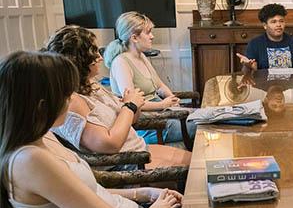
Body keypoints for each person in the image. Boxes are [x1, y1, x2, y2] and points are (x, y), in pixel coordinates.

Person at [0, 51, 182, 208]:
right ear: (42, 106)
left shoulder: (43, 137)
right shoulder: (30, 160)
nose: (72, 99)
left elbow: (92, 193)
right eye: (67, 94)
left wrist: (146, 194)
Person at [45, 25, 191, 170]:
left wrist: (134, 106)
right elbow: (110, 144)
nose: (100, 58)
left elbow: (130, 120)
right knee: (197, 170)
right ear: (79, 60)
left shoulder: (91, 84)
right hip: (127, 164)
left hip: (139, 149)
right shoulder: (72, 102)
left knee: (199, 161)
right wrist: (130, 106)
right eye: (94, 52)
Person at [103, 11, 182, 144]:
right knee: (201, 125)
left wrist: (173, 100)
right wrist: (162, 104)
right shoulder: (121, 63)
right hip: (151, 127)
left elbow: (160, 86)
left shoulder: (141, 56)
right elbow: (131, 103)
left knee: (206, 118)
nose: (152, 36)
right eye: (148, 32)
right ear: (134, 38)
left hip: (163, 115)